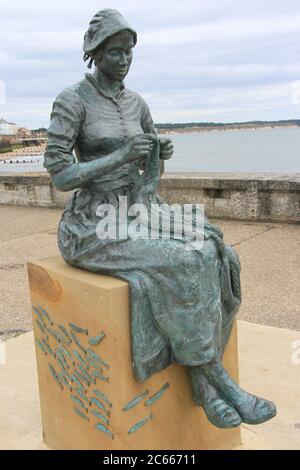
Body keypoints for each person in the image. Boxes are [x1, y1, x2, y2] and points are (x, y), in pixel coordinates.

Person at [44, 9, 276, 428]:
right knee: (182, 261)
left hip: (139, 206)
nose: (123, 60)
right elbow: (61, 174)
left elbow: (146, 161)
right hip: (92, 222)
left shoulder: (137, 103)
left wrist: (156, 154)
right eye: (114, 52)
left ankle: (204, 385)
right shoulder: (72, 100)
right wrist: (119, 155)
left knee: (212, 249)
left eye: (128, 51)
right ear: (94, 53)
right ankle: (216, 381)